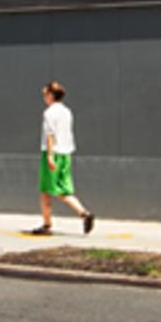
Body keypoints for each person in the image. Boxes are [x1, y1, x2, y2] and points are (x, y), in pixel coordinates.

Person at [30, 78, 95, 238]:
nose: (44, 97)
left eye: (45, 94)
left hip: (53, 153)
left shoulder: (49, 113)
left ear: (51, 95)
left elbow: (50, 135)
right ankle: (84, 214)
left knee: (46, 191)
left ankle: (47, 225)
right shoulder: (67, 112)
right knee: (63, 190)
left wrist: (50, 156)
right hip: (66, 154)